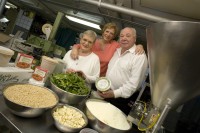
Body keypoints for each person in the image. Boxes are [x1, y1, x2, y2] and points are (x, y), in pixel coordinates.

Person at [98, 27, 148, 115]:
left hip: (121, 99)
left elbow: (133, 85)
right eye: (122, 36)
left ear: (135, 39)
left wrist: (114, 93)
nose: (124, 38)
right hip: (106, 92)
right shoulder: (116, 50)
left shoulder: (139, 56)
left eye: (128, 36)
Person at [71, 22, 144, 77]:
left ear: (114, 36)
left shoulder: (116, 45)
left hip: (100, 79)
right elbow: (81, 45)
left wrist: (139, 46)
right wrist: (75, 48)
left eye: (111, 33)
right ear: (103, 32)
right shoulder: (94, 42)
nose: (108, 34)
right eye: (107, 31)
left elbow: (128, 45)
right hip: (86, 74)